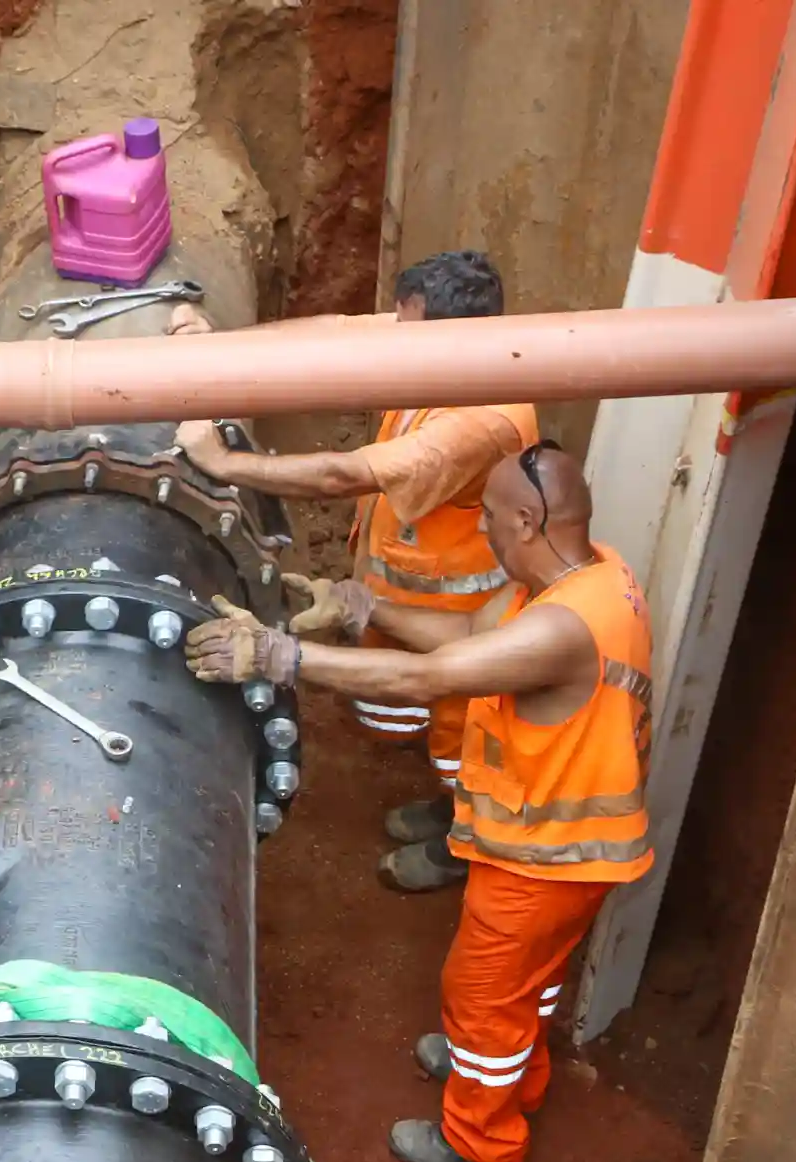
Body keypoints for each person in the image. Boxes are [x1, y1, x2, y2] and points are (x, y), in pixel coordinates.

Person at [181, 443, 653, 1162]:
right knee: (531, 978)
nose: (484, 531)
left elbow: (430, 677)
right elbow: (471, 640)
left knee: (482, 991)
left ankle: (481, 1136)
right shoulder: (585, 574)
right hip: (572, 847)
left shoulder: (563, 629)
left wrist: (282, 657)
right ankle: (508, 1068)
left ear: (528, 520)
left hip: (545, 854)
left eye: (492, 519)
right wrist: (364, 605)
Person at [171, 250, 538, 892]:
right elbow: (335, 334)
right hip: (406, 596)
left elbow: (345, 474)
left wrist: (226, 466)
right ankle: (449, 805)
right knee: (430, 732)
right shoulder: (442, 346)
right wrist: (219, 345)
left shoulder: (478, 422)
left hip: (464, 618)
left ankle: (466, 843)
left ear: (451, 336)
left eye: (406, 329)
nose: (394, 340)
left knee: (466, 739)